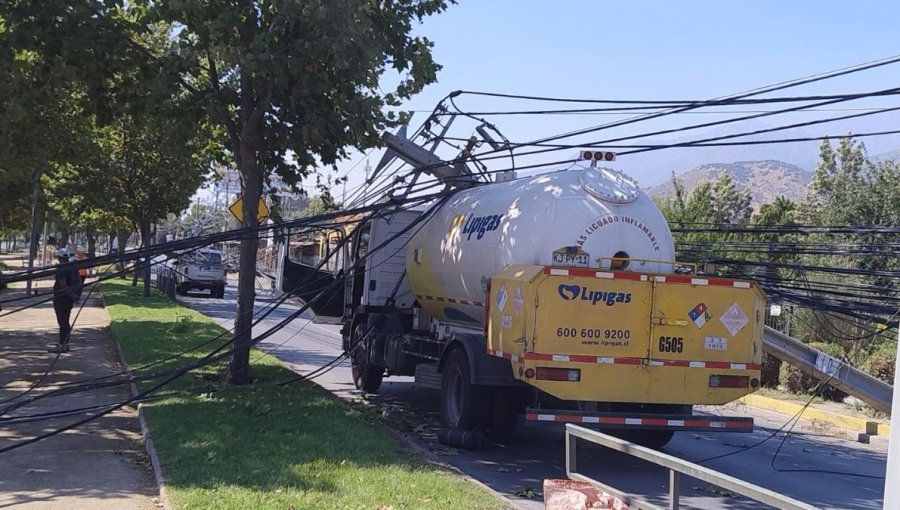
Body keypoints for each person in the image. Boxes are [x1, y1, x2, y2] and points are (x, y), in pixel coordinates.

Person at [49, 247, 78, 353]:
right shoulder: (73, 267)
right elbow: (78, 282)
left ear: (59, 257)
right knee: (65, 321)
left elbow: (63, 284)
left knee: (62, 322)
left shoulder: (61, 268)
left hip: (61, 298)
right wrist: (74, 295)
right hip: (68, 299)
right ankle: (65, 343)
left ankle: (62, 344)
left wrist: (71, 294)